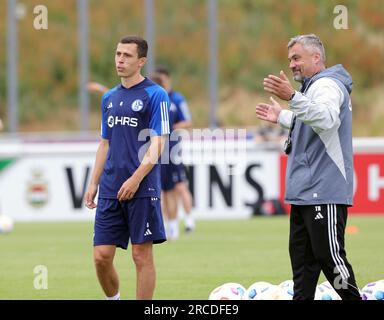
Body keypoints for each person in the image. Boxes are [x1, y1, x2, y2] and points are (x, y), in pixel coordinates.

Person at [255, 34, 361, 300]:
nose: (291, 64)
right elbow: (313, 126)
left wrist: (291, 96)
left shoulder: (327, 85)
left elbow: (325, 119)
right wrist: (282, 116)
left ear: (316, 58)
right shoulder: (313, 87)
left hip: (323, 189)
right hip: (305, 191)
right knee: (303, 269)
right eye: (290, 59)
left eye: (296, 58)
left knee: (330, 260)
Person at [84, 35, 170, 300]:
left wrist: (135, 178)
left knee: (140, 255)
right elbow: (104, 144)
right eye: (118, 54)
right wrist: (93, 183)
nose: (120, 59)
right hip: (110, 186)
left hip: (142, 186)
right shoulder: (109, 98)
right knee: (101, 257)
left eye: (127, 55)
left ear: (141, 61)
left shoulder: (156, 95)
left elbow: (159, 143)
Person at [153, 66, 195, 239]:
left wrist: (170, 128)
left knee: (177, 187)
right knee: (162, 190)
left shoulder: (176, 99)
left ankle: (188, 220)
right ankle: (169, 226)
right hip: (155, 149)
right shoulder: (153, 99)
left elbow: (187, 122)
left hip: (172, 148)